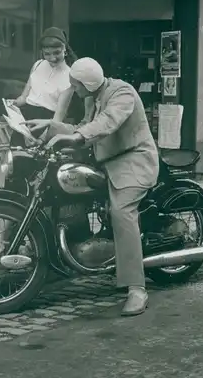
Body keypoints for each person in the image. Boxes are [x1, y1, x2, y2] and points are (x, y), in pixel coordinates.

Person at [25, 57, 159, 316]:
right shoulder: (92, 97)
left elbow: (107, 122)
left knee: (122, 213)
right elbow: (84, 127)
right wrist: (51, 126)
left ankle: (137, 289)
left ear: (87, 84)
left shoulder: (123, 93)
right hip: (107, 162)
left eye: (76, 85)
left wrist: (76, 137)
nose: (73, 90)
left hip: (134, 161)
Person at [9, 27, 79, 146]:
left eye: (57, 52)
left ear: (65, 49)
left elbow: (58, 119)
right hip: (24, 121)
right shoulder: (38, 65)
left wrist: (41, 139)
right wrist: (13, 105)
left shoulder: (69, 76)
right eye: (47, 54)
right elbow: (24, 97)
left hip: (44, 124)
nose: (52, 58)